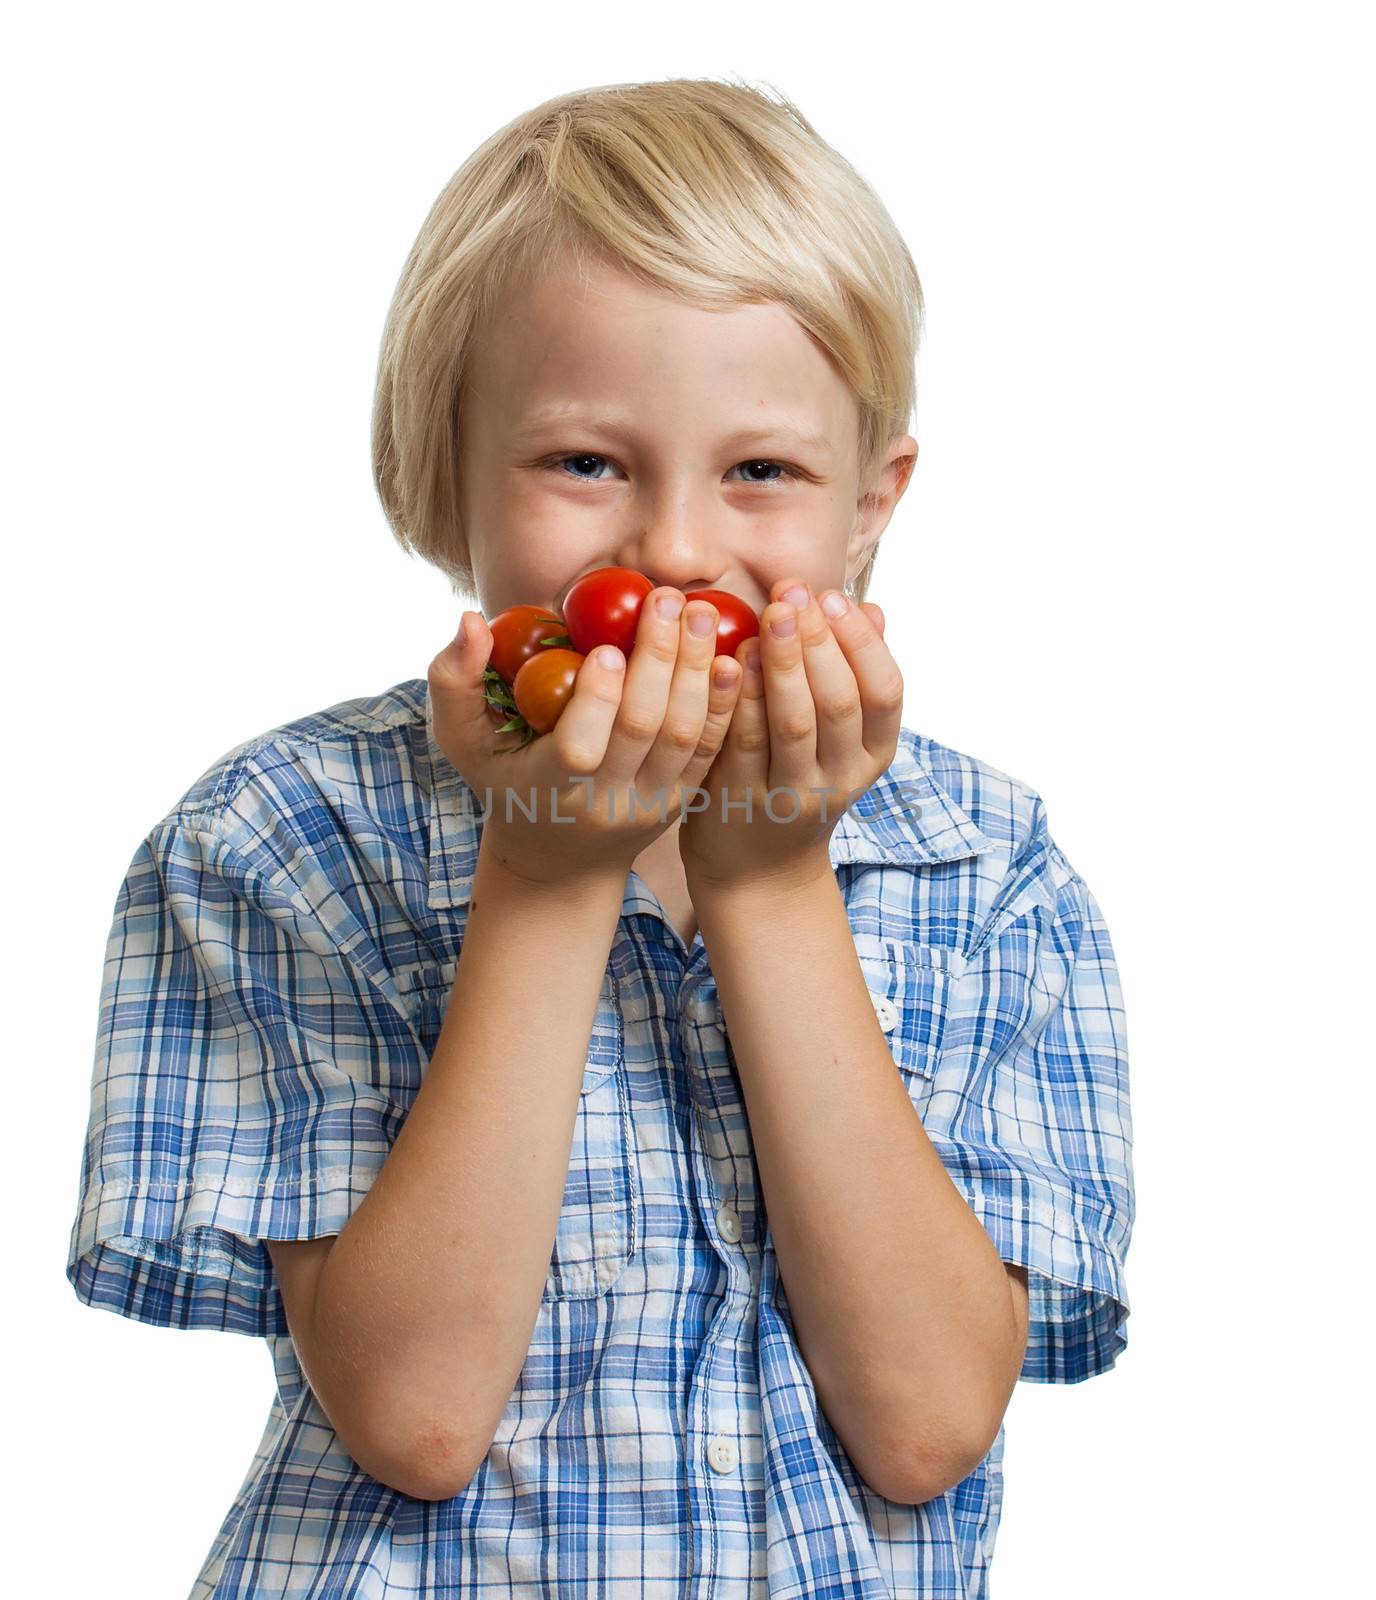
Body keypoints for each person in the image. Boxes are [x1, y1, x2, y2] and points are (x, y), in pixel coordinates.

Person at [65, 76, 1135, 1599]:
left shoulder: (987, 869)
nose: (679, 550)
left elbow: (923, 1422)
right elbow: (416, 1419)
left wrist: (770, 880)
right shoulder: (284, 841)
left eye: (761, 470)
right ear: (443, 472)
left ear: (871, 503)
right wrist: (549, 876)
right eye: (587, 462)